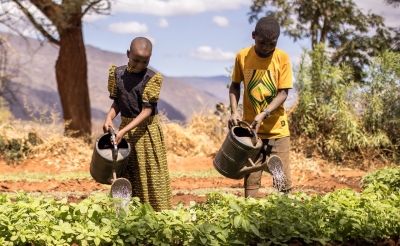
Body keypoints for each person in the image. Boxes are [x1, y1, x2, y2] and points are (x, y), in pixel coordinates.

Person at [103, 37, 172, 211]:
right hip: (125, 129)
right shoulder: (117, 74)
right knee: (127, 173)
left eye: (145, 62)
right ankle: (128, 215)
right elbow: (118, 102)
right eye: (136, 60)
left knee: (150, 174)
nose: (140, 65)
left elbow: (146, 111)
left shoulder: (152, 78)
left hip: (147, 132)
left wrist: (123, 131)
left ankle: (156, 215)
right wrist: (109, 118)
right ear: (128, 54)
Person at [228, 16, 293, 198]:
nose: (266, 47)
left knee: (281, 177)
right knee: (251, 175)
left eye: (271, 43)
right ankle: (250, 215)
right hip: (251, 131)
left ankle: (284, 212)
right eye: (262, 42)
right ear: (253, 36)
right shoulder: (243, 56)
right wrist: (234, 111)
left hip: (276, 130)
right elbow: (235, 85)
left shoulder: (282, 58)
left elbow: (283, 93)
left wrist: (264, 113)